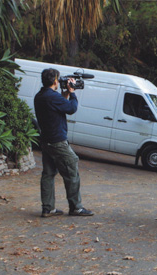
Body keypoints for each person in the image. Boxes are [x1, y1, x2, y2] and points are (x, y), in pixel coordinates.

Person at [34, 68, 94, 217]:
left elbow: (58, 105)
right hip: (57, 141)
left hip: (46, 141)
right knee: (72, 166)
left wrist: (65, 94)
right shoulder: (51, 97)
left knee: (48, 173)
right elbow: (71, 108)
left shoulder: (40, 96)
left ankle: (48, 208)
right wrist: (72, 92)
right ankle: (76, 207)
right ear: (55, 81)